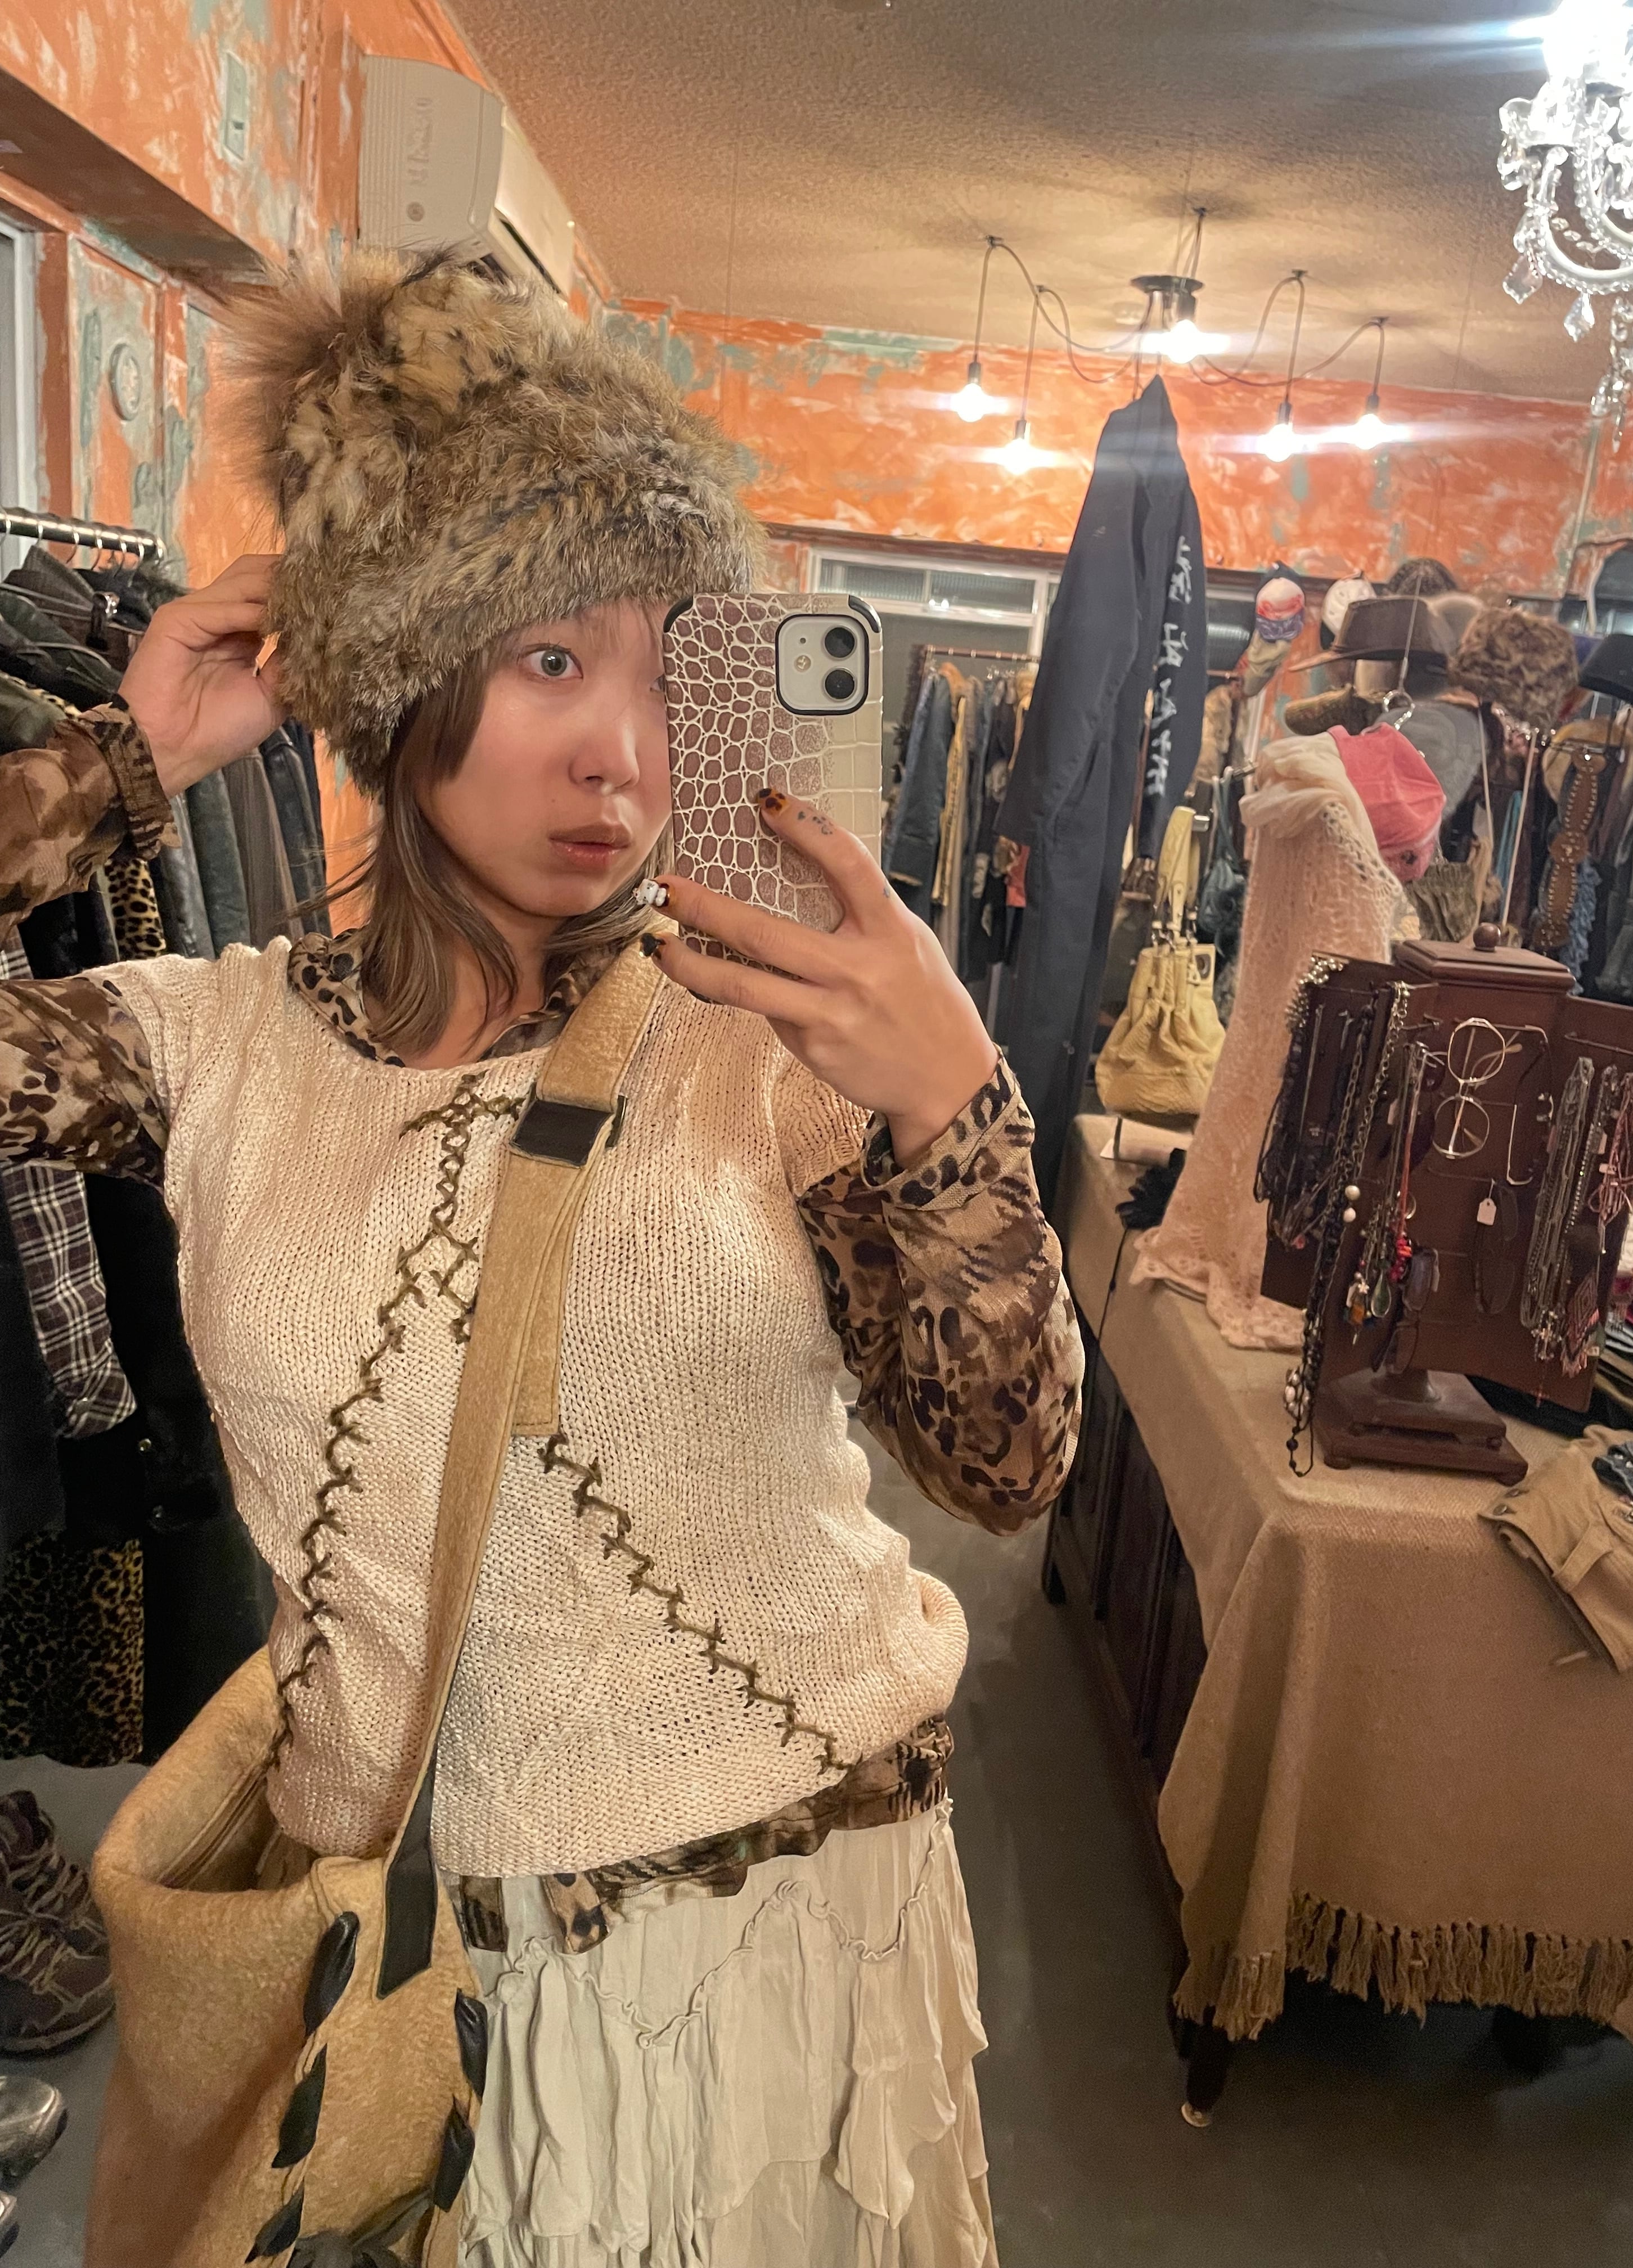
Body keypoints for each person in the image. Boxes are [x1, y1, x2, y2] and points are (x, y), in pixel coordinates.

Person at [0, 251, 1081, 2265]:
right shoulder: (207, 1044)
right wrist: (121, 765)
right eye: (548, 660)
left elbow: (1007, 1466)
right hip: (389, 1960)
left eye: (667, 673)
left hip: (762, 1941)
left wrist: (953, 1113)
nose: (622, 757)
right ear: (400, 680)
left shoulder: (777, 1041)